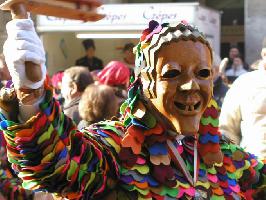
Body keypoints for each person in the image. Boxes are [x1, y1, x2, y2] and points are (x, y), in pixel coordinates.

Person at [0, 5, 265, 199]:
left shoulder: (227, 156)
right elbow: (57, 164)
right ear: (143, 84)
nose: (191, 86)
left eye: (203, 73)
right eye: (172, 73)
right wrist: (31, 91)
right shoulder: (116, 147)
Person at [219, 47, 266, 159]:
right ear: (264, 53)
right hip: (256, 167)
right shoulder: (245, 83)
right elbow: (227, 130)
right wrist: (235, 167)